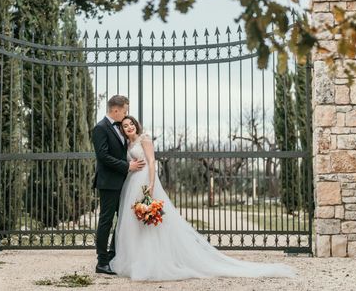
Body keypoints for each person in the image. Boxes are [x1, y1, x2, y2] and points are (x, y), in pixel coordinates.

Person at [109, 115, 296, 280]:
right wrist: (131, 163)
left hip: (144, 180)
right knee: (137, 224)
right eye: (125, 126)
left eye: (131, 123)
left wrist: (150, 184)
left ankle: (155, 261)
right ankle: (138, 260)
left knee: (153, 223)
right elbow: (132, 161)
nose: (129, 127)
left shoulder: (145, 139)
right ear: (123, 130)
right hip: (132, 181)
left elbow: (151, 161)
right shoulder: (129, 144)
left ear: (136, 125)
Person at [91, 95, 145, 275]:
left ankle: (114, 256)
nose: (126, 114)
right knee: (106, 221)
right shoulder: (100, 128)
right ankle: (102, 261)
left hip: (123, 182)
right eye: (125, 111)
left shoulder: (120, 129)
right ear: (116, 110)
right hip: (108, 183)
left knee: (122, 220)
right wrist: (127, 166)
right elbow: (103, 156)